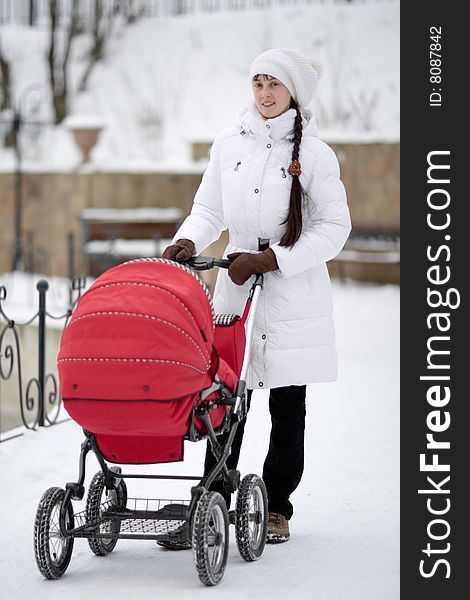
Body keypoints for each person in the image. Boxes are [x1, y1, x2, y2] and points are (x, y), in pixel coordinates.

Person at [162, 48, 351, 544]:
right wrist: (189, 238)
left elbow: (335, 227)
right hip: (235, 282)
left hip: (291, 289)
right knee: (225, 396)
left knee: (287, 404)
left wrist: (273, 260)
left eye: (275, 85)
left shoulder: (314, 154)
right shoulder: (229, 144)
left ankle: (276, 507)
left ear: (292, 92)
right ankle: (214, 497)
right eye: (258, 84)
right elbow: (209, 206)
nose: (265, 95)